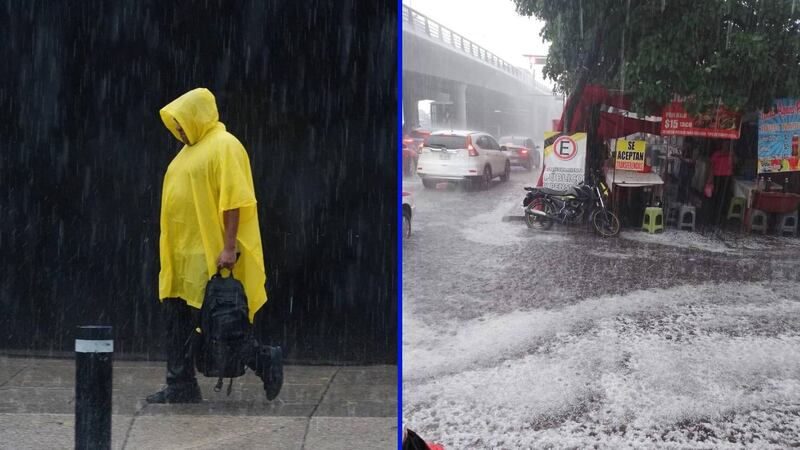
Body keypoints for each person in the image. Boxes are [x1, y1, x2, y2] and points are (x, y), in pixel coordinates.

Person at [146, 88, 268, 403]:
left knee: (218, 323)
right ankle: (180, 385)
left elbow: (233, 200)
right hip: (180, 256)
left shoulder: (225, 146)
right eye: (176, 124)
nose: (180, 129)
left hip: (207, 252)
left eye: (183, 121)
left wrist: (229, 247)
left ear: (198, 114)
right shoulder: (186, 153)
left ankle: (266, 361)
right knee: (178, 319)